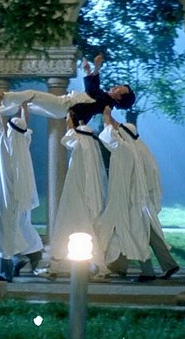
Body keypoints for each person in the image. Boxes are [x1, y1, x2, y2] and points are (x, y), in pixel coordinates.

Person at [38, 110, 109, 279]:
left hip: (76, 194)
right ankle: (92, 264)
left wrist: (69, 122)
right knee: (85, 228)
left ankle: (59, 263)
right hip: (86, 194)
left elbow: (69, 138)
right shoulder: (90, 143)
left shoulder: (80, 142)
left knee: (69, 225)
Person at [0, 97, 44, 282]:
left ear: (10, 129)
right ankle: (27, 257)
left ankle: (8, 269)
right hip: (21, 198)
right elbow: (23, 126)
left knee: (2, 230)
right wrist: (24, 108)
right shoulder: (24, 145)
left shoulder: (4, 147)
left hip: (4, 197)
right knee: (20, 227)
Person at [0, 53, 135, 124]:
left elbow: (92, 90)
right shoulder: (104, 98)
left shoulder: (106, 103)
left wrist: (95, 68)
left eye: (120, 89)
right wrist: (91, 69)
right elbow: (93, 89)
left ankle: (2, 97)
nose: (116, 87)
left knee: (32, 95)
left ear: (119, 99)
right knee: (26, 105)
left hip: (64, 106)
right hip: (63, 106)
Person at [117, 122, 180, 282]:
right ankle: (168, 264)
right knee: (149, 234)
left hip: (136, 200)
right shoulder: (143, 148)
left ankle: (146, 272)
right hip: (144, 201)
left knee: (136, 234)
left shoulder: (132, 151)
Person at [95, 106, 152, 280]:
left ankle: (104, 267)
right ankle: (116, 266)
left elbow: (107, 135)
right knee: (126, 234)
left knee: (113, 231)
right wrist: (112, 120)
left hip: (122, 198)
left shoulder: (123, 148)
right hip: (129, 199)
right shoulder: (135, 149)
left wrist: (106, 115)